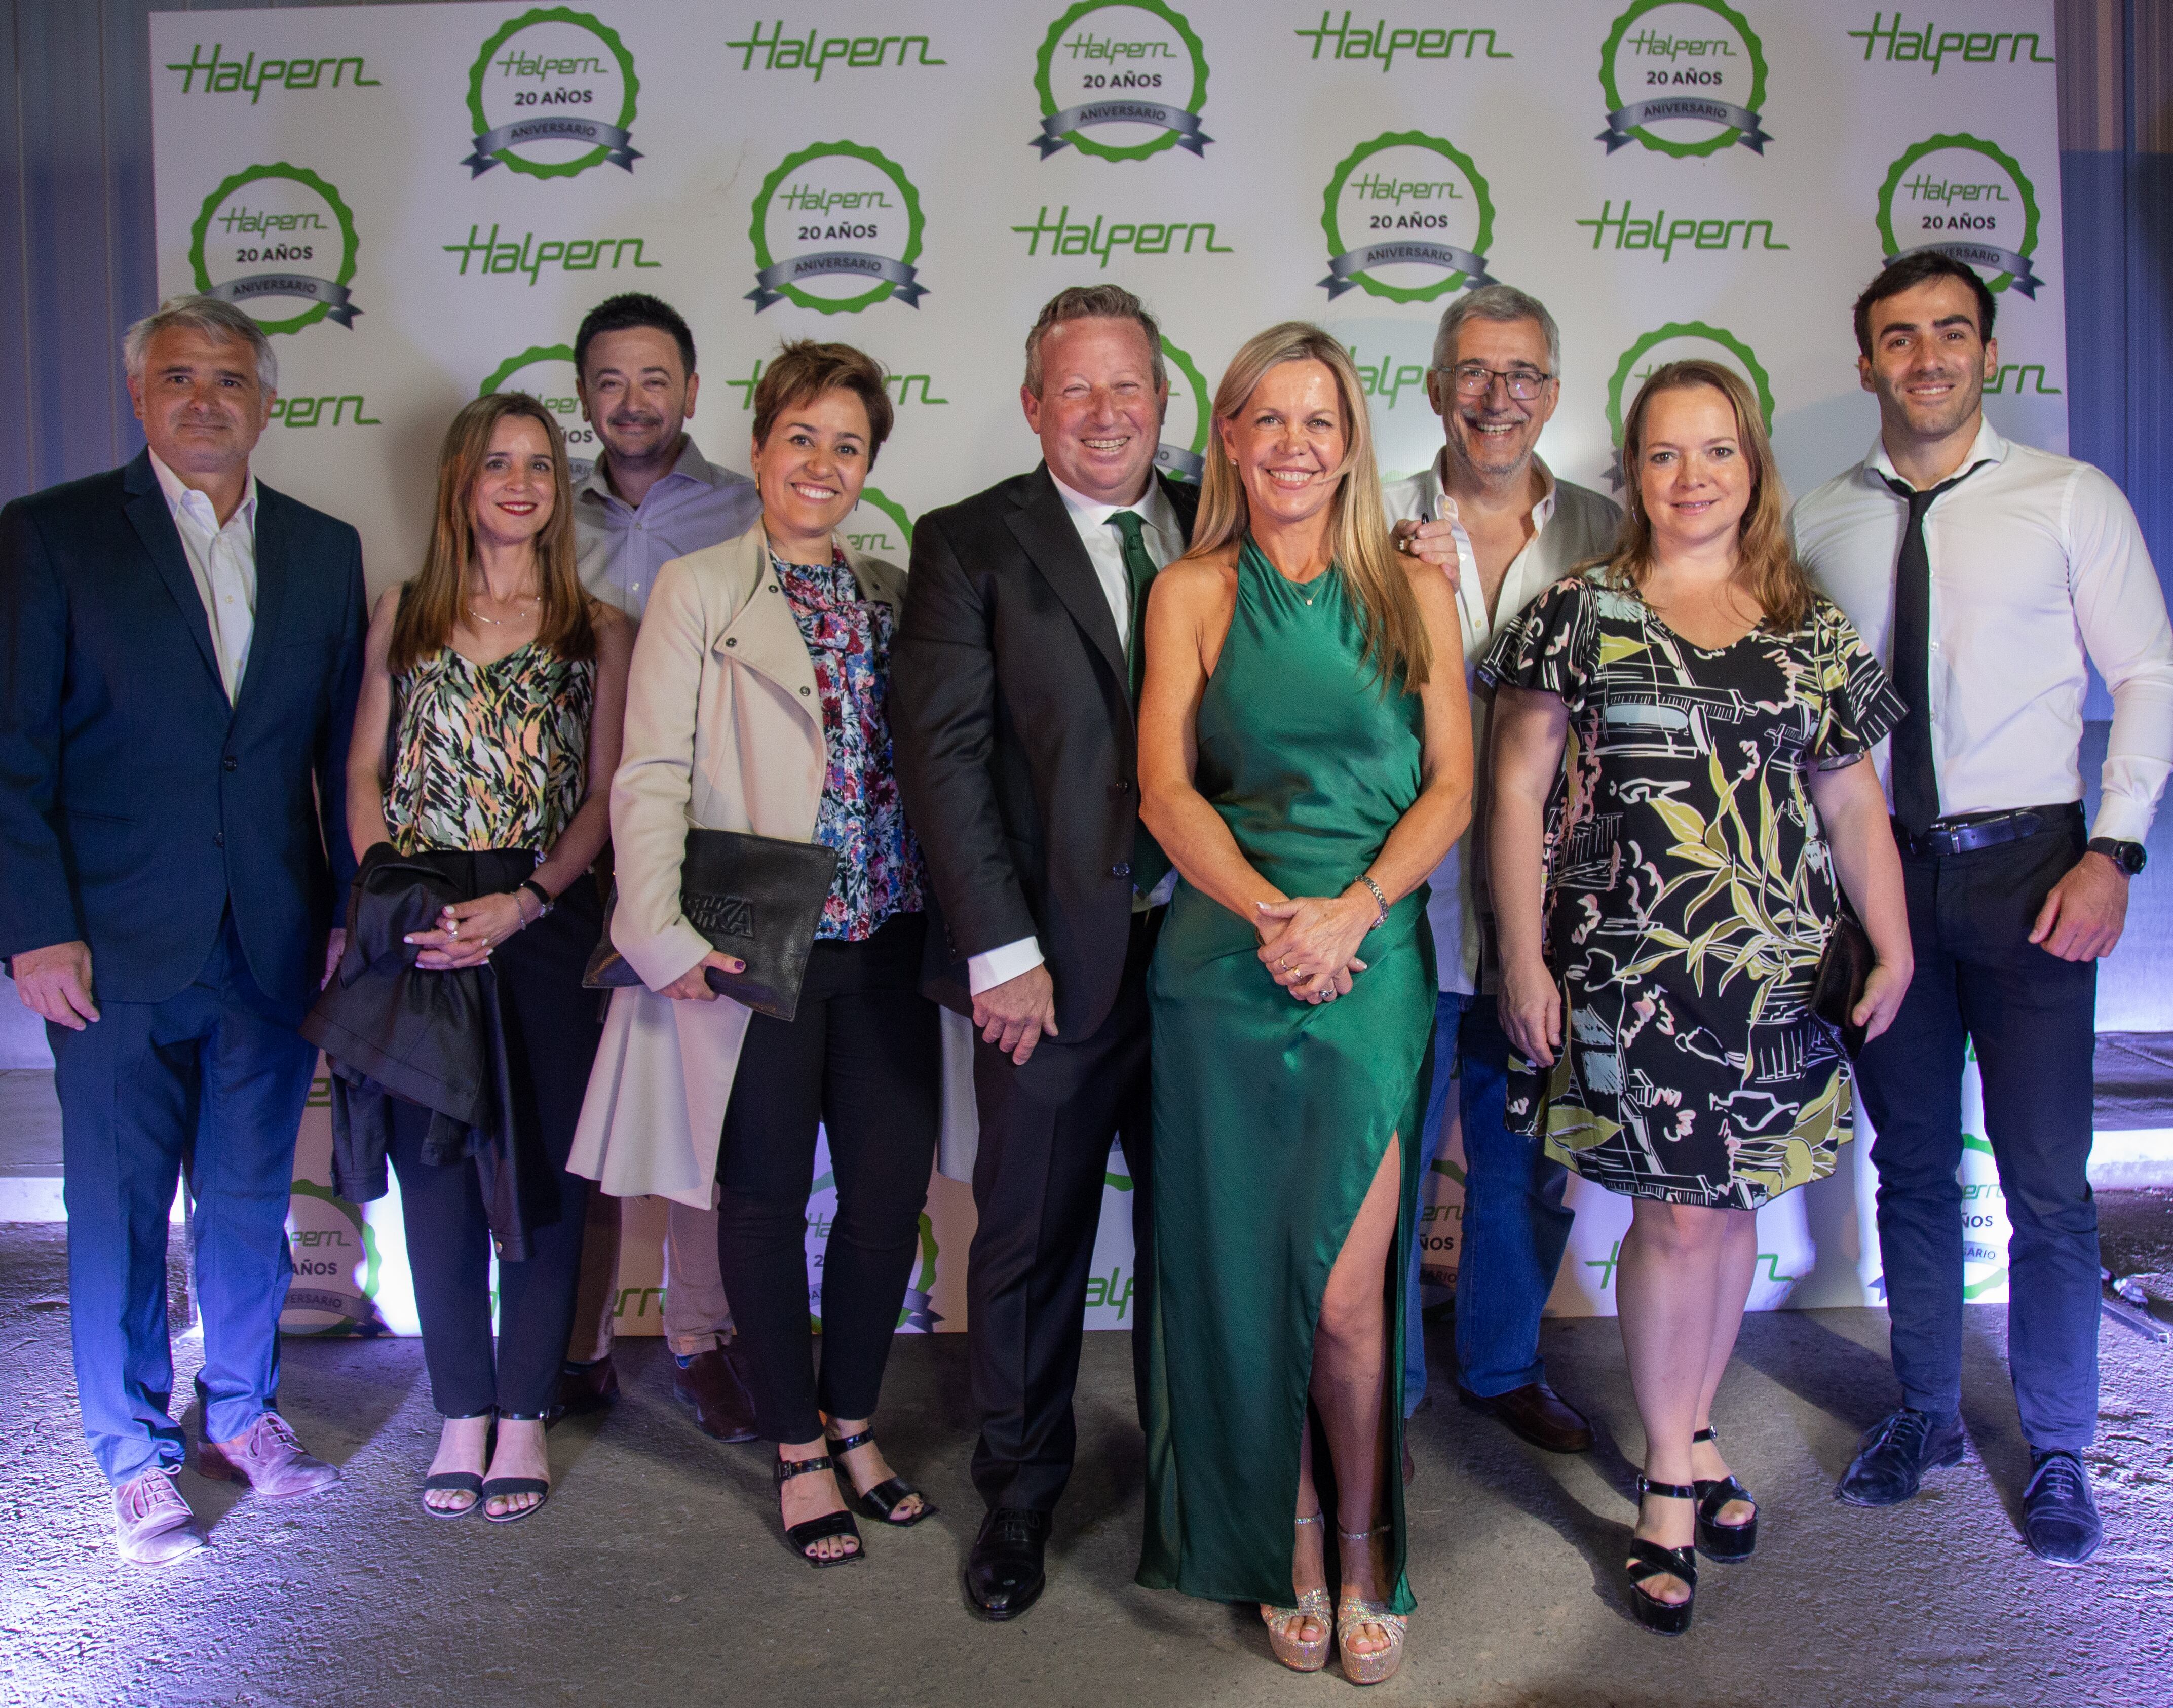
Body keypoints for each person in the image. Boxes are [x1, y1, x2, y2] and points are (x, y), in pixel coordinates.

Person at [1484, 361, 1913, 1634]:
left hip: (1779, 983)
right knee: (1672, 1223)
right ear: (1635, 473)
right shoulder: (1578, 611)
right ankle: (1668, 1480)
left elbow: (1852, 800)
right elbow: (1512, 796)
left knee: (1729, 1221)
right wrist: (1520, 957)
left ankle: (1695, 1421)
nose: (1692, 479)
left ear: (1753, 465)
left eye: (1716, 452)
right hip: (1637, 972)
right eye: (1665, 456)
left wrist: (1890, 948)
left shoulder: (1806, 620)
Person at [1793, 251, 2173, 1565]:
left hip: (2033, 874)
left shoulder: (2070, 501)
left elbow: (2150, 674)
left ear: (1987, 352)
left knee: (2049, 1183)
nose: (1925, 359)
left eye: (1949, 333)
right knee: (1908, 1162)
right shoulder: (1820, 520)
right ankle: (1923, 1411)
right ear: (1867, 365)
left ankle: (2061, 1444)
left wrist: (2113, 851)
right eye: (1898, 338)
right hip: (1883, 874)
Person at [0, 295, 364, 1565]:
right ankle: (134, 1451)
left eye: (227, 379)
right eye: (176, 378)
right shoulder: (50, 540)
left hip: (270, 937)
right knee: (114, 1206)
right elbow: (12, 753)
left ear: (266, 402)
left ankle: (245, 1413)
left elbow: (341, 759)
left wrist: (344, 912)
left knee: (250, 1199)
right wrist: (37, 930)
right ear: (139, 396)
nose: (203, 399)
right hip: (108, 946)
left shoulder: (326, 551)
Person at [1135, 323, 1471, 1685]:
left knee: (1342, 1295)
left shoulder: (1413, 582)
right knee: (1234, 1276)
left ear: (1351, 440)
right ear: (1228, 436)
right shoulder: (1191, 592)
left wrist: (1355, 908)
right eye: (1265, 420)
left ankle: (1362, 1538)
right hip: (1229, 959)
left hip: (1371, 958)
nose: (1292, 445)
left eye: (1318, 421)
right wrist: (1279, 915)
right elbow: (1165, 790)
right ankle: (1274, 1539)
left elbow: (1452, 781)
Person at [570, 341, 941, 1569]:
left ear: (870, 464)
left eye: (848, 445)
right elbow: (651, 771)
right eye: (802, 438)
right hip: (757, 952)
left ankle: (853, 1422)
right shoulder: (701, 585)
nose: (822, 465)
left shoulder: (893, 591)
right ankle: (794, 1441)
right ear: (762, 443)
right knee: (768, 1203)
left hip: (888, 939)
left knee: (888, 1200)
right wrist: (656, 930)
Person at [891, 285, 1200, 1620]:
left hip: (1207, 962)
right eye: (1074, 388)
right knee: (1024, 1241)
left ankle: (1213, 1494)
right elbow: (946, 758)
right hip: (1052, 967)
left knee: (1211, 1239)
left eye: (1126, 384)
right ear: (1032, 406)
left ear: (1163, 397)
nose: (1104, 411)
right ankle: (1019, 1496)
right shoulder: (968, 543)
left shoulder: (1227, 514)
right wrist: (1001, 952)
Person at [343, 392, 632, 1522]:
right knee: (433, 1165)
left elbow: (609, 793)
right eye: (497, 464)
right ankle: (460, 1406)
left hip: (539, 914)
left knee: (545, 1175)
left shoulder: (594, 626)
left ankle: (526, 1410)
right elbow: (363, 770)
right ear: (460, 481)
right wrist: (394, 893)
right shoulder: (402, 612)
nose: (521, 484)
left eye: (542, 467)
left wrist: (527, 901)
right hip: (417, 910)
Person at [1382, 284, 1619, 1452]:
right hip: (1404, 913)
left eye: (1523, 375)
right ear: (1435, 389)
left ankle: (1504, 1363)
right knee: (1387, 1166)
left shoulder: (1611, 536)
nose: (1497, 398)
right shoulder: (1364, 527)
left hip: (1551, 926)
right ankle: (1383, 1385)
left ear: (1554, 395)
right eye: (1474, 373)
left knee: (1526, 1162)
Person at [560, 291, 761, 1441]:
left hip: (696, 854)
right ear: (581, 395)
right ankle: (576, 1340)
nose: (631, 403)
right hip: (560, 853)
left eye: (654, 380)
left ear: (691, 390)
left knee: (700, 1117)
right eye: (607, 382)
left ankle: (696, 1334)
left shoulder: (745, 515)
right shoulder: (542, 512)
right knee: (572, 1114)